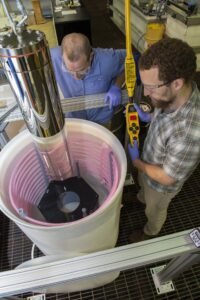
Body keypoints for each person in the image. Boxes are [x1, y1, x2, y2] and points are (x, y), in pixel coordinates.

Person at [128, 37, 200, 243]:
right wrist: (149, 116)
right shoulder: (173, 93)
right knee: (144, 188)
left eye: (151, 87)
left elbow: (168, 177)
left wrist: (137, 162)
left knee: (155, 208)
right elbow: (162, 111)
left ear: (176, 83)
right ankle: (140, 196)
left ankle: (150, 231)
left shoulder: (189, 132)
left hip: (160, 187)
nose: (146, 93)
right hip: (149, 166)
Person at [50, 33, 126, 125]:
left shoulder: (108, 59)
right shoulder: (52, 57)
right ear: (62, 56)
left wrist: (116, 86)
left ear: (91, 56)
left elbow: (129, 63)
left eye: (82, 70)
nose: (76, 77)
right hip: (73, 119)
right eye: (69, 70)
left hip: (101, 118)